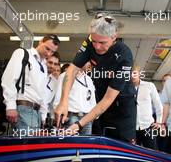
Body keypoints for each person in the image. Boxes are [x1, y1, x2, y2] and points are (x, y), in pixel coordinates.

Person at [55, 13, 137, 142]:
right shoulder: (89, 42)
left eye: (102, 42)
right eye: (94, 41)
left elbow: (108, 99)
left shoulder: (124, 55)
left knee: (121, 148)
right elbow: (72, 70)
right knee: (98, 145)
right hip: (99, 101)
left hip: (121, 107)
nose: (97, 46)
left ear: (114, 37)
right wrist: (63, 101)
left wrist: (79, 125)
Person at [2, 34, 60, 133]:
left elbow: (42, 93)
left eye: (52, 52)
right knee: (23, 146)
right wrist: (10, 106)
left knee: (32, 147)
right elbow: (9, 79)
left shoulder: (43, 66)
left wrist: (43, 116)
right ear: (41, 41)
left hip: (36, 113)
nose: (49, 53)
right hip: (22, 108)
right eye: (47, 48)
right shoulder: (22, 53)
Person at [53, 62, 96, 135]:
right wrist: (60, 116)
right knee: (70, 144)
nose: (91, 65)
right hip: (71, 117)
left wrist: (92, 117)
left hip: (86, 119)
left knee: (86, 145)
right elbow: (58, 98)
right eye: (89, 62)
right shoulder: (64, 76)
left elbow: (92, 100)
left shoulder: (89, 79)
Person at [131, 64, 162, 150]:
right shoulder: (125, 88)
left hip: (148, 126)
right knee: (133, 154)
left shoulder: (149, 85)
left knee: (152, 154)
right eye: (130, 73)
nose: (132, 76)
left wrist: (159, 122)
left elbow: (158, 104)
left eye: (134, 73)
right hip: (132, 128)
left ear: (139, 73)